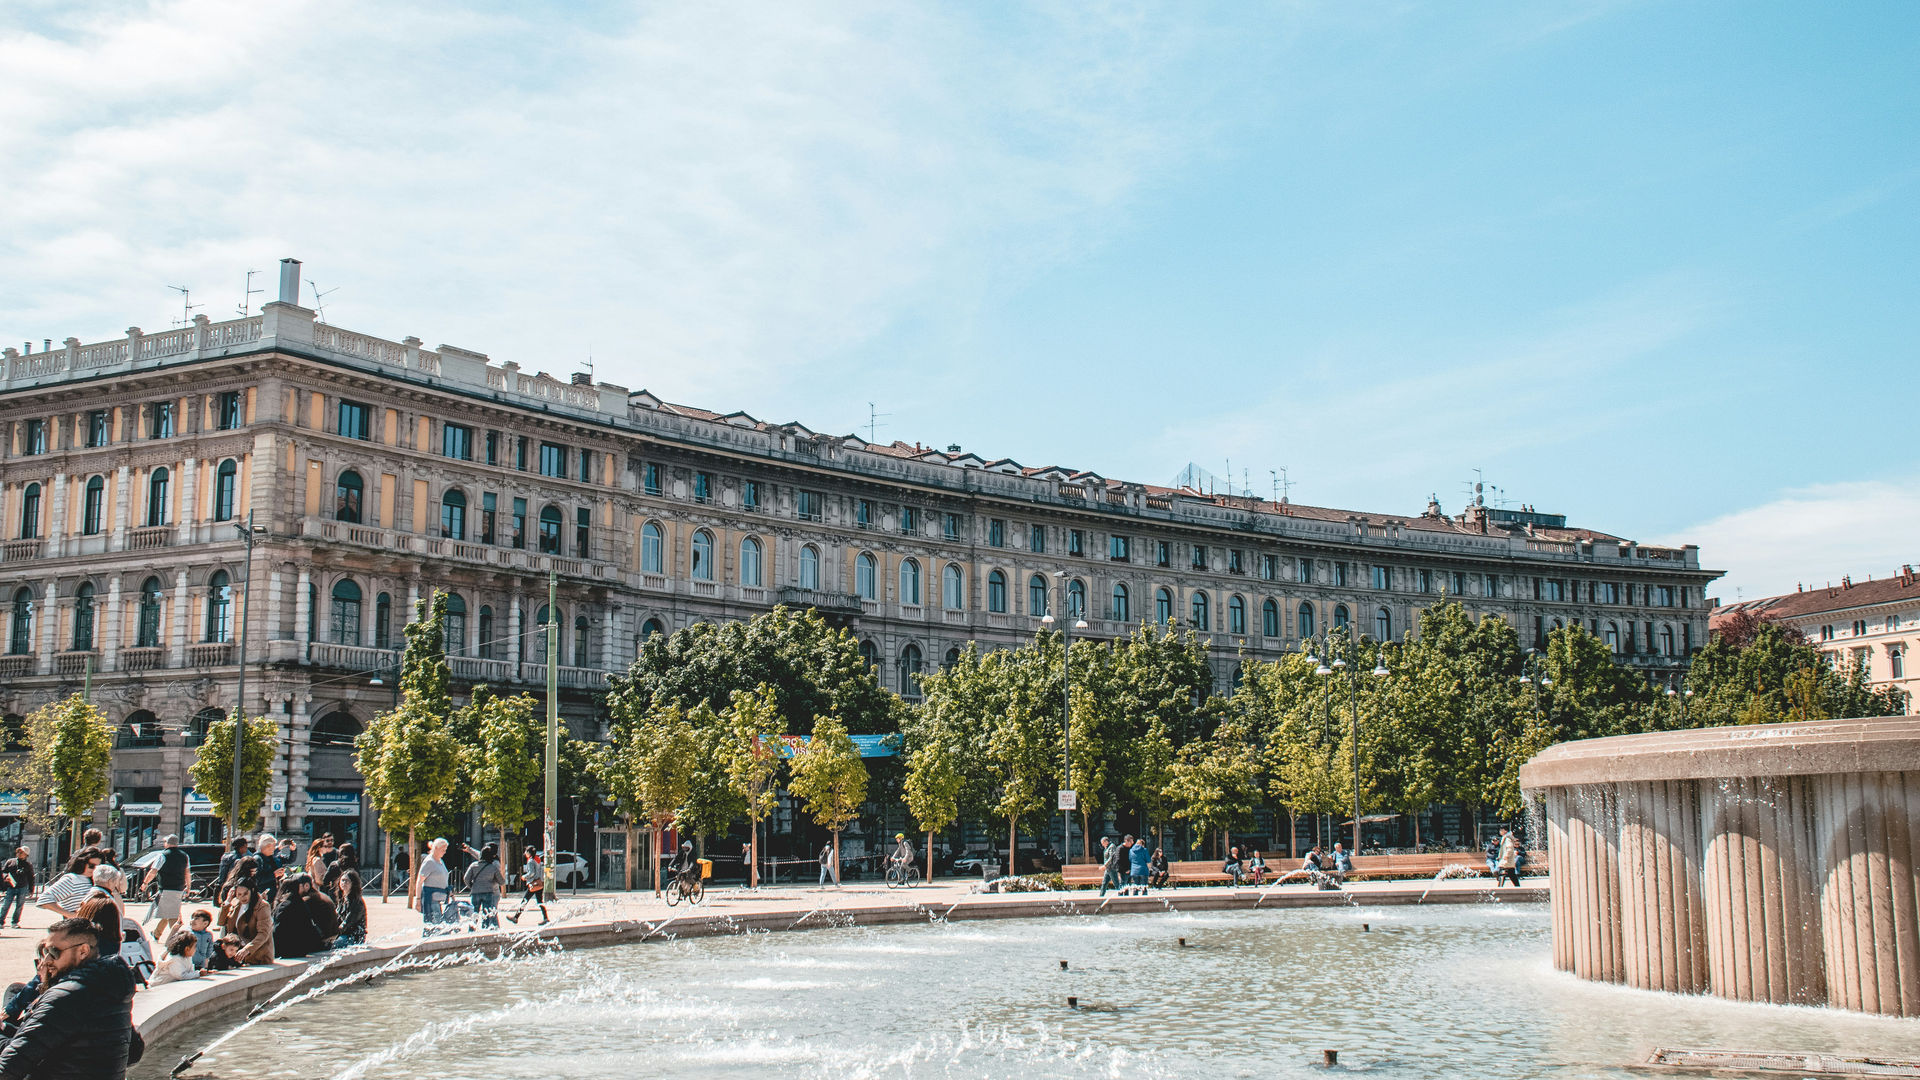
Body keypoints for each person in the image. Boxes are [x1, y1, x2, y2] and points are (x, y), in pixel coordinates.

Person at [0, 917, 141, 1079]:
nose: (46, 961)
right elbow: (134, 1051)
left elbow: (9, 1067)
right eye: (45, 953)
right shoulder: (108, 987)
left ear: (83, 951)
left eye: (54, 952)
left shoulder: (66, 996)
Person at [271, 875, 334, 958]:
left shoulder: (282, 905)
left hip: (281, 949)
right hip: (299, 949)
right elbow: (308, 927)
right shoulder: (300, 903)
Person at [143, 834, 191, 943]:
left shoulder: (163, 855)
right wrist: (188, 886)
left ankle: (175, 937)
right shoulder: (185, 856)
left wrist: (145, 883)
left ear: (167, 843)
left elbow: (153, 871)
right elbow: (187, 872)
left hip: (165, 887)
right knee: (168, 912)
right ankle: (157, 934)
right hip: (179, 888)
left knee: (169, 913)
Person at [218, 878, 273, 965]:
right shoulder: (235, 903)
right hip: (236, 956)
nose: (242, 897)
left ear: (252, 890)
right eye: (239, 894)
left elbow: (263, 933)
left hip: (257, 956)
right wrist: (227, 902)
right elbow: (221, 922)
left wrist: (247, 949)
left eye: (245, 894)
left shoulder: (262, 906)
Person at [464, 844, 505, 929]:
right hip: (488, 892)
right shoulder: (493, 867)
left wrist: (471, 886)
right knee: (486, 914)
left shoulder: (474, 865)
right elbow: (501, 881)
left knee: (474, 913)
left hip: (475, 892)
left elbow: (466, 878)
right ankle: (485, 930)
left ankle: (471, 931)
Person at [416, 838, 451, 929]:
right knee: (434, 928)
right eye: (443, 850)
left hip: (440, 899)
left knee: (439, 928)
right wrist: (418, 900)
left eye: (445, 850)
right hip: (431, 900)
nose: (444, 852)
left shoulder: (440, 861)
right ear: (436, 848)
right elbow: (420, 881)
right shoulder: (429, 862)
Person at [506, 850, 548, 925]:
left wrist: (524, 877)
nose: (525, 853)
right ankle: (545, 918)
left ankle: (516, 917)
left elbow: (531, 873)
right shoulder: (537, 859)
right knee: (540, 901)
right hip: (539, 883)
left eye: (526, 852)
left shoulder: (530, 861)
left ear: (529, 853)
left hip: (533, 884)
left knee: (525, 900)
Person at [0, 848, 33, 929]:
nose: (19, 853)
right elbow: (4, 872)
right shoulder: (10, 861)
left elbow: (31, 878)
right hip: (11, 886)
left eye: (21, 852)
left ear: (26, 855)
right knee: (5, 905)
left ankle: (15, 922)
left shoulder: (28, 865)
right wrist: (5, 878)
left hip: (22, 887)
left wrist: (31, 889)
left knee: (19, 906)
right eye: (18, 852)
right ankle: (1, 922)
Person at [333, 871, 368, 947]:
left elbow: (348, 923)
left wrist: (334, 933)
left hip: (353, 936)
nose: (344, 883)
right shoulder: (342, 899)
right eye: (342, 880)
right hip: (342, 933)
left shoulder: (357, 902)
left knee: (333, 945)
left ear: (353, 883)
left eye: (347, 881)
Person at [215, 837, 251, 903]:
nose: (246, 849)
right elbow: (235, 875)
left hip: (222, 886)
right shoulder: (239, 860)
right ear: (241, 847)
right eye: (245, 847)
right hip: (232, 887)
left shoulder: (225, 856)